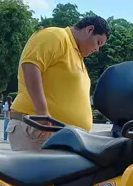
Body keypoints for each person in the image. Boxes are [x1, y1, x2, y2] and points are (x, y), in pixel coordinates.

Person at [7, 15, 110, 151]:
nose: (97, 49)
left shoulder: (76, 55)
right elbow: (30, 65)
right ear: (89, 30)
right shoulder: (56, 36)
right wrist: (42, 112)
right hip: (39, 129)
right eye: (98, 42)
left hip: (59, 135)